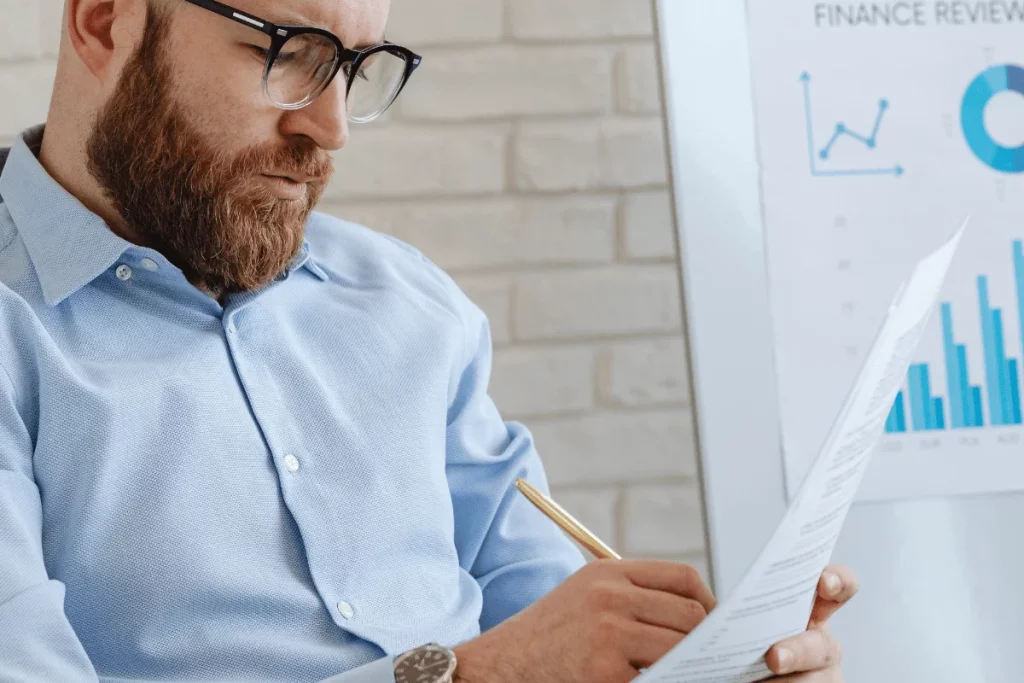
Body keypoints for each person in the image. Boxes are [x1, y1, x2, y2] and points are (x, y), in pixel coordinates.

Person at [0, 1, 858, 681]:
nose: (331, 127)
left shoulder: (408, 305)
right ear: (105, 19)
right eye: (290, 52)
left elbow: (555, 624)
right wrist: (474, 675)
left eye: (354, 67)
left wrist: (700, 666)